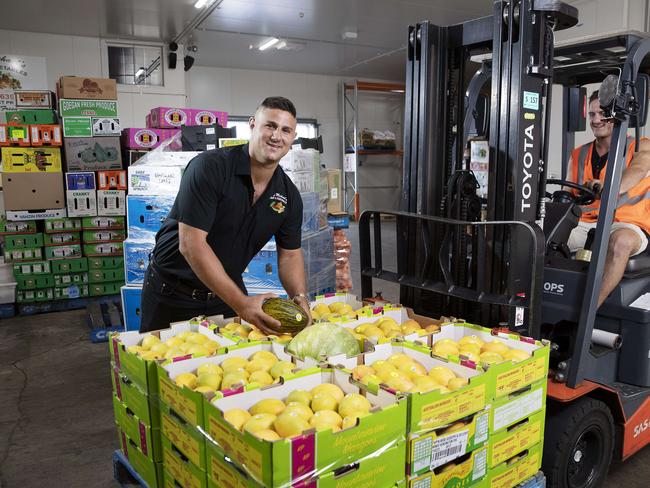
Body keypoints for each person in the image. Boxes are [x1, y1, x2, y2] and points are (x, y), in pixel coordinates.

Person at [140, 96, 311, 333]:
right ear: (252, 124)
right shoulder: (210, 168)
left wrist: (299, 296)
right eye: (269, 125)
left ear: (292, 137)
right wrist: (242, 304)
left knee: (227, 367)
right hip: (172, 293)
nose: (276, 136)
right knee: (164, 364)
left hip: (226, 294)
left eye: (285, 130)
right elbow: (191, 244)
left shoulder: (289, 196)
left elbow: (290, 256)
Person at [567, 90, 650, 307]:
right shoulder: (579, 153)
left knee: (620, 242)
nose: (596, 120)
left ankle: (587, 316)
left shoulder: (641, 146)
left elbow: (639, 169)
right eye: (592, 115)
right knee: (534, 235)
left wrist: (611, 186)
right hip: (586, 224)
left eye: (602, 114)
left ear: (617, 115)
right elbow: (568, 193)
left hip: (627, 224)